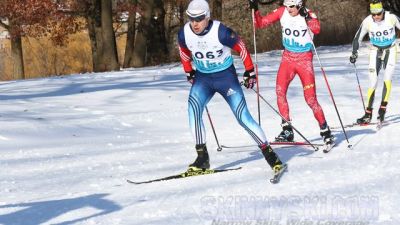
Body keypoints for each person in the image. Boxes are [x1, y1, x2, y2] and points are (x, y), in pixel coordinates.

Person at [177, 0, 284, 175]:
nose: (195, 23)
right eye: (191, 19)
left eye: (199, 18)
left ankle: (270, 155)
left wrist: (250, 71)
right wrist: (189, 71)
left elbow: (241, 47)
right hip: (203, 78)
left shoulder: (221, 31)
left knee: (242, 116)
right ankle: (202, 158)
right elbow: (183, 50)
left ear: (207, 16)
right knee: (193, 109)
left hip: (225, 78)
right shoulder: (184, 33)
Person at [248, 0, 334, 145]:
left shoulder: (308, 14)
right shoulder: (282, 11)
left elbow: (317, 29)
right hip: (287, 58)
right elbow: (260, 23)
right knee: (280, 91)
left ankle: (325, 130)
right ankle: (287, 130)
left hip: (304, 60)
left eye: (292, 6)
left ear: (300, 5)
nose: (289, 9)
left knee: (310, 99)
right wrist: (255, 11)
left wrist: (307, 17)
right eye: (287, 6)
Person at [350, 0, 400, 124]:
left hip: (391, 50)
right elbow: (357, 37)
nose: (376, 17)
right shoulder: (367, 21)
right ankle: (368, 113)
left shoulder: (391, 18)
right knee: (372, 82)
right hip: (375, 50)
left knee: (387, 79)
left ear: (382, 11)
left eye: (378, 14)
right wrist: (354, 52)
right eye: (374, 14)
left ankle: (382, 110)